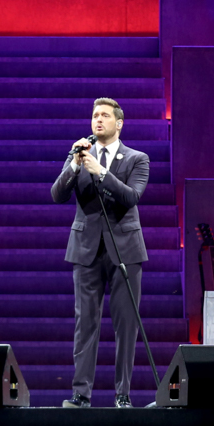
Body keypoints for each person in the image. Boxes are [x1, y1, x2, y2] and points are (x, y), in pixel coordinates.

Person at [51, 98, 150, 409]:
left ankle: (123, 395)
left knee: (126, 325)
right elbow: (57, 195)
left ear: (118, 123)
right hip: (86, 250)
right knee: (85, 324)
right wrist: (75, 165)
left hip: (125, 251)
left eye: (105, 115)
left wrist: (102, 173)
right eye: (95, 115)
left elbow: (131, 197)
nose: (98, 120)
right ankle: (81, 395)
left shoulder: (137, 158)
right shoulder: (80, 155)